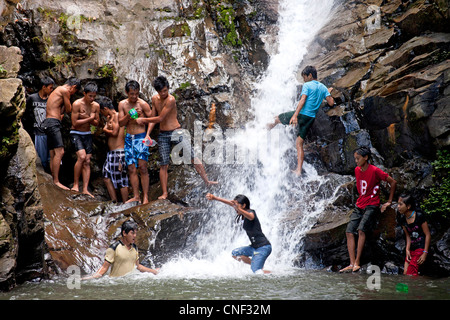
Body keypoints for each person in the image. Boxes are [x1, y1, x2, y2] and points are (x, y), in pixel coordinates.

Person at [136, 76, 217, 200]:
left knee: (192, 155)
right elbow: (153, 117)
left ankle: (207, 180)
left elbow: (160, 118)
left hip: (177, 131)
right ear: (157, 91)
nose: (164, 93)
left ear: (168, 88)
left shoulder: (171, 100)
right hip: (163, 134)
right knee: (163, 164)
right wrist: (147, 134)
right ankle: (164, 193)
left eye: (165, 90)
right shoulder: (154, 99)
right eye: (161, 91)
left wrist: (142, 120)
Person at [267, 66, 334, 176]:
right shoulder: (322, 87)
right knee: (299, 143)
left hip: (302, 115)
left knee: (276, 119)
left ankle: (263, 131)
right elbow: (331, 103)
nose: (303, 80)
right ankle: (298, 170)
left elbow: (303, 100)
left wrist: (295, 115)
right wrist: (328, 92)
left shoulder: (307, 85)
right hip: (310, 119)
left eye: (304, 77)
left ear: (310, 75)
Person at [339, 146, 397, 273]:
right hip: (360, 204)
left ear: (366, 158)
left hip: (371, 204)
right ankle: (351, 262)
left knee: (361, 230)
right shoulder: (357, 170)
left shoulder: (375, 170)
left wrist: (389, 201)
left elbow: (393, 182)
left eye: (358, 158)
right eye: (355, 159)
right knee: (349, 231)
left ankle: (358, 262)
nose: (356, 161)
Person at [205, 193, 272, 274]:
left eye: (237, 206)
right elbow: (230, 203)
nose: (235, 208)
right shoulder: (241, 212)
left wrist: (239, 209)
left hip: (263, 247)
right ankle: (255, 264)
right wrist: (215, 198)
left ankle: (272, 274)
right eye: (235, 206)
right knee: (235, 253)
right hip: (254, 247)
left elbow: (251, 217)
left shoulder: (251, 212)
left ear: (244, 206)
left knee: (257, 272)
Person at [83, 220, 159, 279]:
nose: (135, 236)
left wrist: (154, 271)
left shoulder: (134, 247)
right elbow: (104, 267)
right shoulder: (114, 247)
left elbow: (138, 266)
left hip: (131, 281)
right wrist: (89, 278)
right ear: (124, 233)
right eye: (132, 233)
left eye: (135, 233)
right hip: (116, 282)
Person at [42, 77, 81, 190]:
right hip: (53, 123)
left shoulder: (57, 90)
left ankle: (53, 179)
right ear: (73, 87)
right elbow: (69, 109)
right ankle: (56, 181)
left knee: (53, 153)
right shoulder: (64, 91)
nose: (73, 93)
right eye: (75, 91)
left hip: (48, 122)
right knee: (60, 152)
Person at [118, 80, 153, 204]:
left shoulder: (143, 104)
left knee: (143, 167)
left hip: (141, 137)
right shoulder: (122, 104)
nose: (134, 96)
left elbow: (152, 120)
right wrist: (128, 116)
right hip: (129, 138)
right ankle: (136, 196)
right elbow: (121, 123)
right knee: (131, 168)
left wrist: (147, 135)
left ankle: (146, 197)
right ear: (127, 92)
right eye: (132, 94)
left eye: (136, 94)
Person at [70, 82, 100, 197]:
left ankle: (85, 189)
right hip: (76, 133)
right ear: (84, 94)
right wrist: (90, 118)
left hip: (87, 133)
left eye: (94, 96)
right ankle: (76, 185)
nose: (92, 98)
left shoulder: (96, 106)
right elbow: (74, 123)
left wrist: (88, 118)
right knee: (81, 157)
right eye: (90, 96)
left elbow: (96, 123)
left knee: (87, 161)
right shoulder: (77, 104)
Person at [99, 96, 129, 203]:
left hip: (119, 152)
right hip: (111, 153)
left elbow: (115, 133)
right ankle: (114, 201)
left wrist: (104, 129)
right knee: (106, 176)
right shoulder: (109, 118)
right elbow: (109, 135)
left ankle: (125, 204)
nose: (101, 113)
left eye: (101, 111)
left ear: (105, 109)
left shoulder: (117, 116)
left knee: (121, 179)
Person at [25, 76, 55, 171]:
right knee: (41, 160)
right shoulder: (32, 98)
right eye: (50, 87)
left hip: (49, 132)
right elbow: (25, 113)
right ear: (44, 87)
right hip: (37, 133)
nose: (52, 90)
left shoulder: (51, 99)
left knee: (51, 158)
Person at [397, 192, 431, 276]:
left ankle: (418, 288)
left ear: (408, 206)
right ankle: (417, 287)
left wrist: (425, 253)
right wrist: (407, 250)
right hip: (411, 248)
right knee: (405, 274)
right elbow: (408, 236)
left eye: (400, 204)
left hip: (420, 248)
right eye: (398, 204)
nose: (398, 207)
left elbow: (427, 234)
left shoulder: (419, 216)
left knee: (410, 275)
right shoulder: (402, 219)